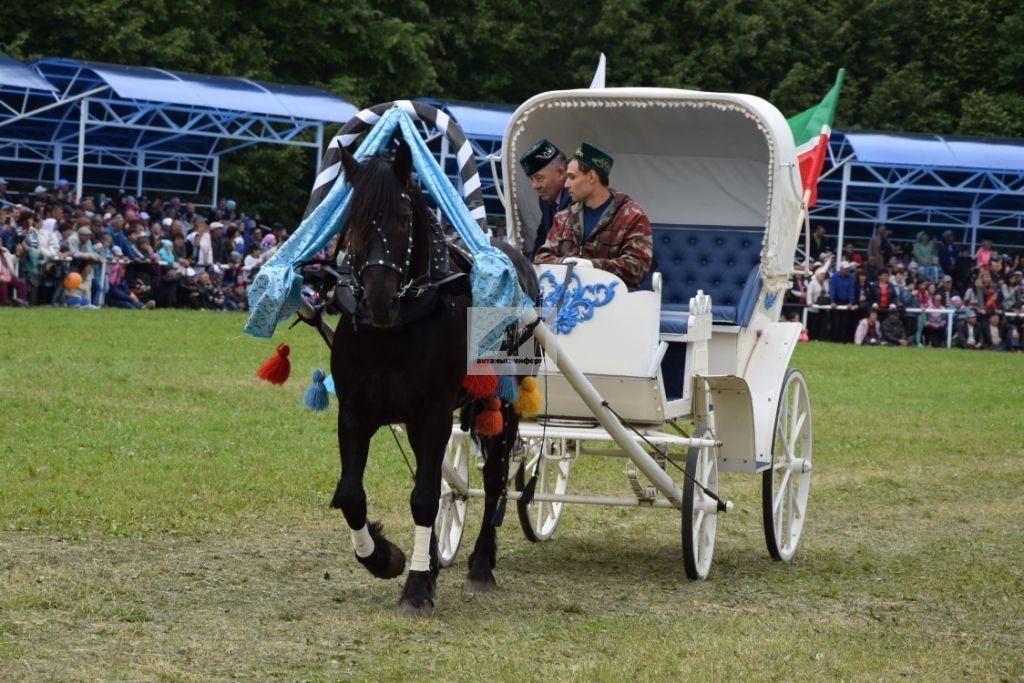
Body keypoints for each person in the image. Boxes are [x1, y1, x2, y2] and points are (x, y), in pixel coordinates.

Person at [534, 142, 653, 288]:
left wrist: (593, 266)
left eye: (572, 177)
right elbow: (541, 258)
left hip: (615, 301)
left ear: (591, 177)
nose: (566, 185)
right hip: (569, 299)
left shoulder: (631, 216)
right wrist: (564, 262)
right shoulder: (565, 216)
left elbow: (638, 266)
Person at [519, 139, 570, 258]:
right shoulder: (545, 200)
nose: (535, 186)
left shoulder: (576, 197)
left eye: (539, 178)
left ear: (561, 172)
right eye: (531, 179)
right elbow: (543, 236)